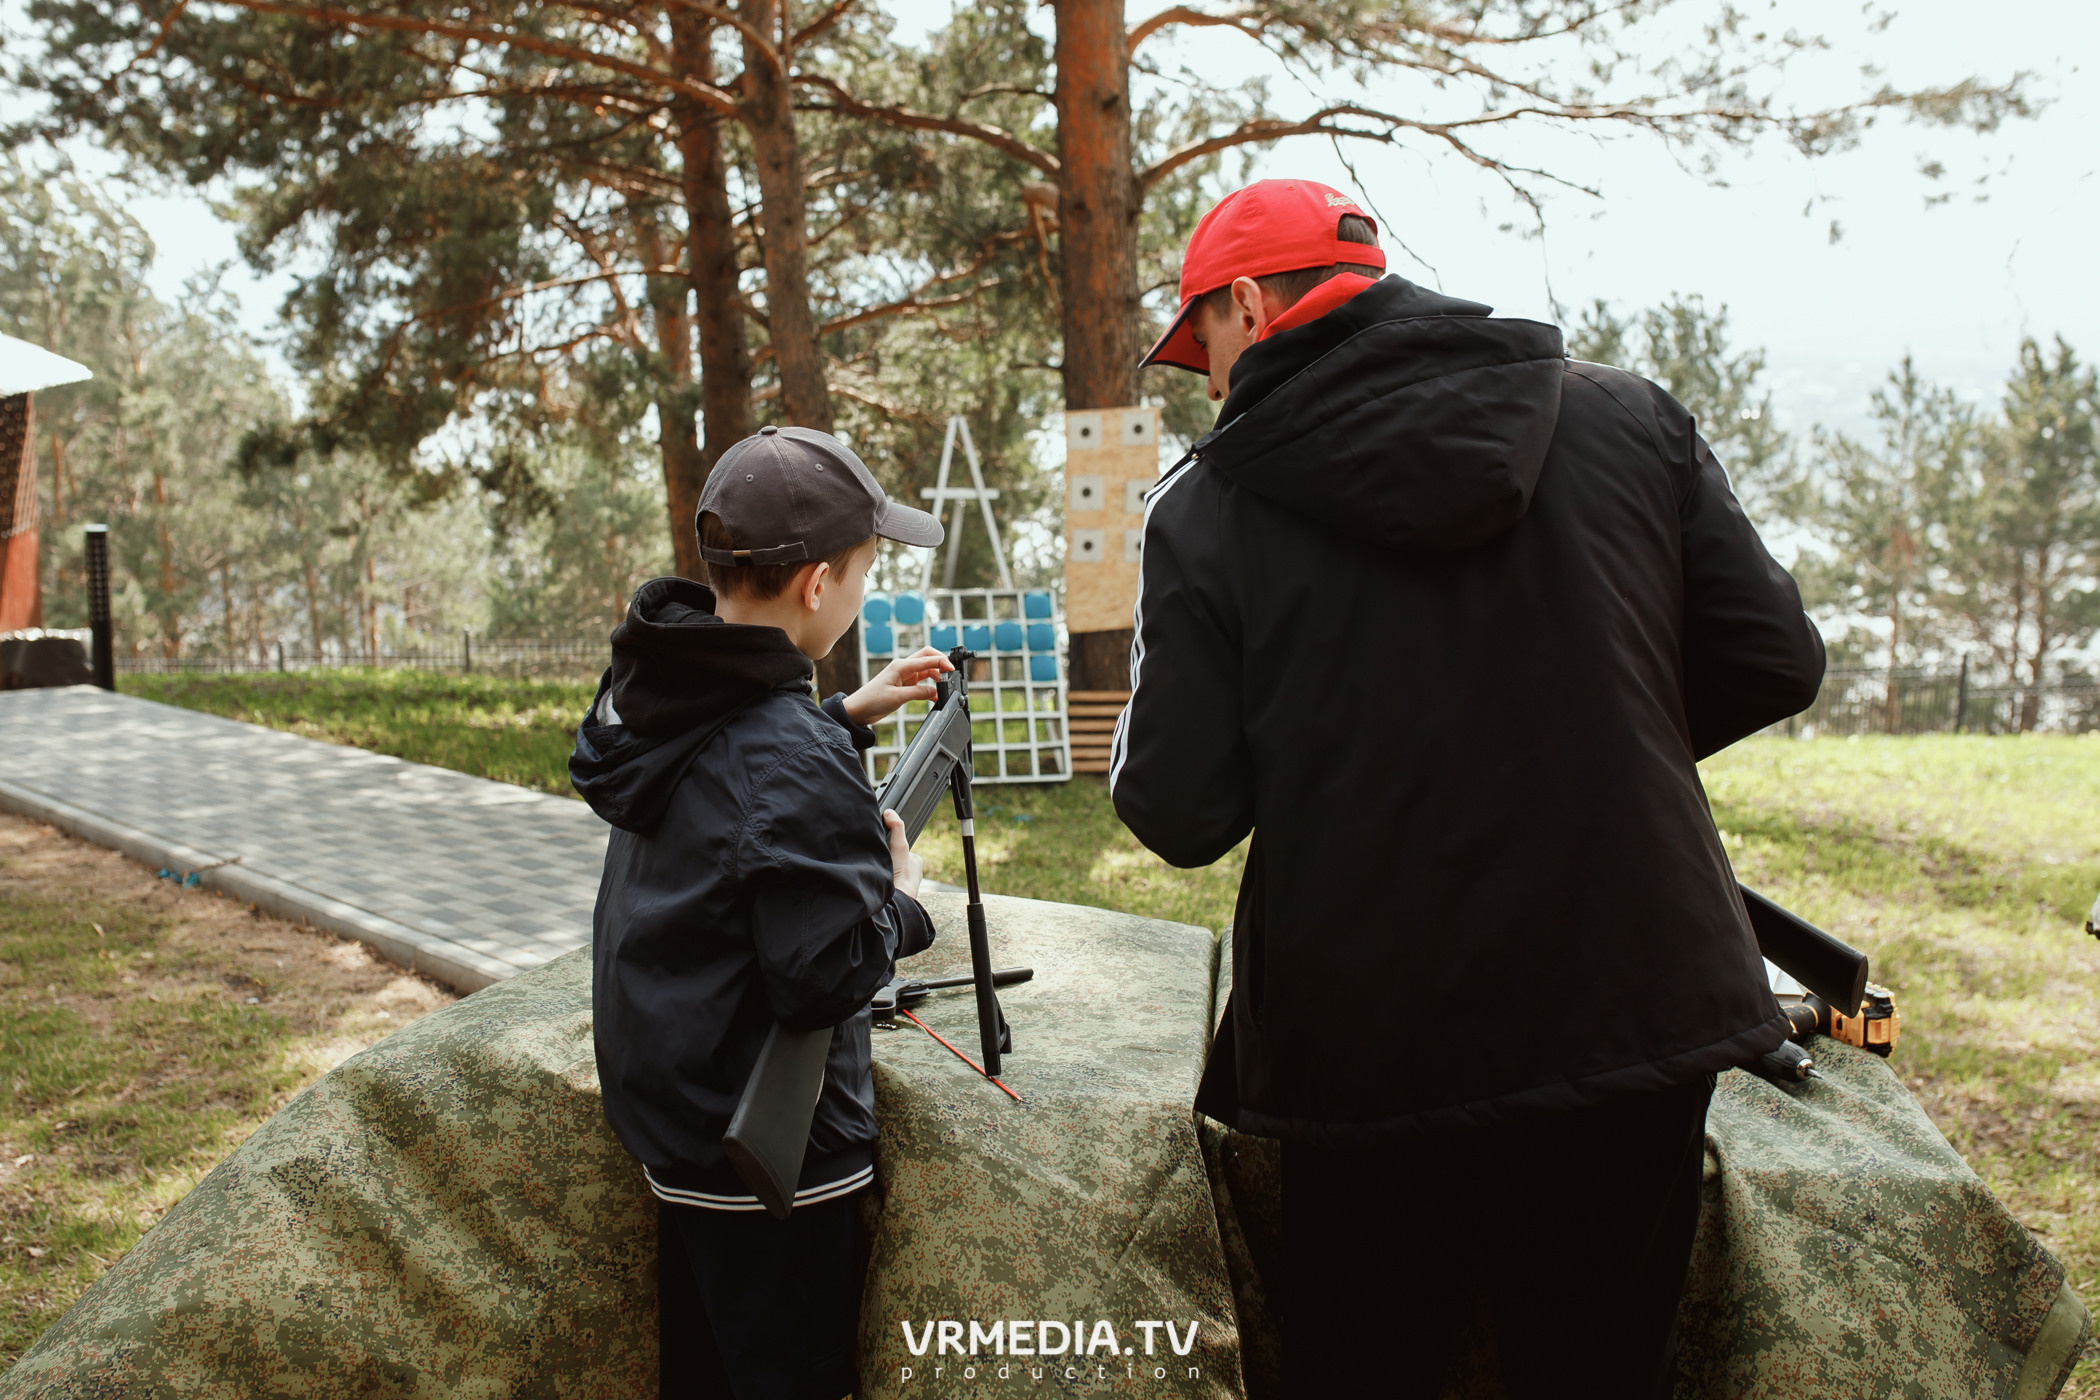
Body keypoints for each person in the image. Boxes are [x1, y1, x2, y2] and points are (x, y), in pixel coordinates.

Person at [1112, 179, 1826, 1397]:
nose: (1210, 383)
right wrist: (1594, 739)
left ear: (1249, 304)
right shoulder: (1626, 414)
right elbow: (1775, 658)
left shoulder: (1210, 501)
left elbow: (1178, 811)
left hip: (1367, 1039)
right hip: (1635, 990)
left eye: (1204, 346)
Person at [571, 424, 951, 1400]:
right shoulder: (784, 752)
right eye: (864, 573)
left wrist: (840, 716)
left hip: (682, 1136)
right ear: (818, 584)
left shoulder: (660, 696)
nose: (861, 594)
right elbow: (822, 972)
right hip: (780, 1170)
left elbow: (727, 788)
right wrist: (903, 904)